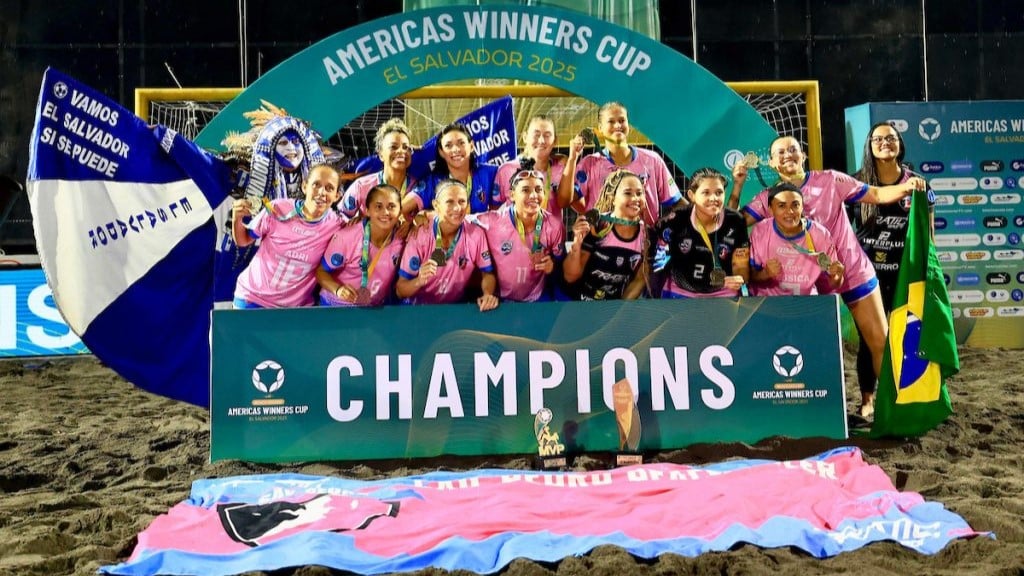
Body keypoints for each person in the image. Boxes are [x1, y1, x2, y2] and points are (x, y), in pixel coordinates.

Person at [731, 135, 926, 417]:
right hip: (811, 285)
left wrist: (906, 186)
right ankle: (824, 412)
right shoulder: (770, 199)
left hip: (852, 271)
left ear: (803, 155)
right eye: (780, 152)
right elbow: (732, 223)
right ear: (772, 163)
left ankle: (894, 412)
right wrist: (737, 186)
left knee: (879, 342)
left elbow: (876, 195)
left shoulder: (831, 180)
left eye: (793, 149)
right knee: (812, 354)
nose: (787, 155)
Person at [851, 122, 936, 417]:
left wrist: (928, 271)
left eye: (891, 138)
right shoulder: (856, 184)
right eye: (878, 139)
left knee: (907, 337)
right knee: (870, 340)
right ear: (869, 146)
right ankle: (867, 400)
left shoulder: (919, 184)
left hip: (904, 276)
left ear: (900, 144)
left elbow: (928, 234)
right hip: (867, 278)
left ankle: (906, 396)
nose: (885, 143)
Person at [232, 164, 342, 308]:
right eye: (316, 185)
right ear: (304, 186)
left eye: (329, 188)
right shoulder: (277, 208)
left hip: (295, 309)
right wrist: (237, 219)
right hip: (252, 298)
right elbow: (243, 240)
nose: (322, 192)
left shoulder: (337, 226)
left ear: (337, 196)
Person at [558, 101, 683, 228]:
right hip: (602, 239)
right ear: (600, 127)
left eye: (622, 120)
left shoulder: (652, 160)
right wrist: (572, 158)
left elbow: (677, 202)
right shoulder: (589, 164)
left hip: (645, 238)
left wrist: (690, 221)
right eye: (611, 121)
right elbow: (563, 201)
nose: (618, 125)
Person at [396, 179, 499, 311]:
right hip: (417, 310)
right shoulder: (421, 233)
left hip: (454, 310)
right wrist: (418, 281)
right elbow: (400, 290)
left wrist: (488, 294)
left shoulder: (476, 234)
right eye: (450, 202)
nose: (457, 208)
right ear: (436, 205)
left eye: (462, 201)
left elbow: (487, 274)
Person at [475, 164, 565, 302]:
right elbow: (459, 220)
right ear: (512, 195)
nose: (533, 195)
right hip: (501, 300)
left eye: (538, 190)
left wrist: (552, 266)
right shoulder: (492, 222)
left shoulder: (554, 226)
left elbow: (562, 266)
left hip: (538, 298)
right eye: (525, 190)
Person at [654, 167, 749, 298]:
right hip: (680, 292)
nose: (714, 198)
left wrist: (738, 278)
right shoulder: (676, 219)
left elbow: (741, 268)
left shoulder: (736, 220)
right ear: (691, 195)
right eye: (706, 193)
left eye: (719, 192)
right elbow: (652, 252)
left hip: (722, 292)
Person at [563, 170, 648, 301]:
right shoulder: (598, 226)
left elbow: (640, 279)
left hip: (613, 306)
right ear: (612, 198)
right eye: (628, 193)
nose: (635, 198)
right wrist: (576, 244)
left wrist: (618, 309)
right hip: (578, 302)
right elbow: (570, 277)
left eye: (639, 193)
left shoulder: (646, 235)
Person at [748, 182, 845, 296]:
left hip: (806, 302)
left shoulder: (820, 235)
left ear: (802, 207)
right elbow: (748, 276)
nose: (790, 211)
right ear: (771, 210)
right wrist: (765, 273)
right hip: (766, 302)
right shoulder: (761, 231)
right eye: (782, 206)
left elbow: (834, 283)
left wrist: (837, 276)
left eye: (795, 205)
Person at [317, 184, 406, 307]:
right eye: (378, 206)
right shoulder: (347, 238)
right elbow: (321, 272)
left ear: (400, 211)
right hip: (335, 306)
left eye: (391, 207)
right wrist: (338, 289)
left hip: (373, 309)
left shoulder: (403, 238)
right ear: (367, 210)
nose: (385, 212)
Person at [338, 118, 423, 221]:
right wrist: (358, 225)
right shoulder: (361, 187)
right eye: (394, 147)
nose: (401, 151)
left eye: (406, 147)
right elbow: (340, 217)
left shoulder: (419, 188)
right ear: (381, 154)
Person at [416, 122, 499, 215]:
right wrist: (426, 215)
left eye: (461, 143)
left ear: (471, 146)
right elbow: (405, 208)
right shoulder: (432, 181)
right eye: (448, 145)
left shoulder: (490, 173)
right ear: (441, 152)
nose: (455, 149)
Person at [493, 115, 571, 213]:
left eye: (547, 135)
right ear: (525, 137)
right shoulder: (506, 170)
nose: (541, 141)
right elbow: (493, 211)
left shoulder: (562, 168)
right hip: (516, 224)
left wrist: (572, 159)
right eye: (536, 135)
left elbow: (578, 203)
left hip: (554, 224)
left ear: (555, 141)